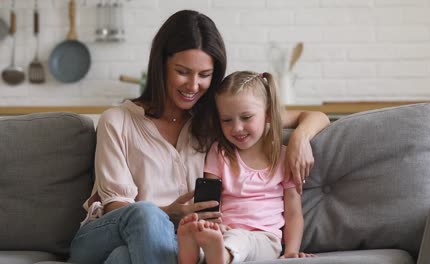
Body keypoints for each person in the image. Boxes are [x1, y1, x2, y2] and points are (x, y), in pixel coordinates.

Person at [68, 9, 330, 264]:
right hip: (105, 236)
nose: (193, 86)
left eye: (204, 75)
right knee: (146, 214)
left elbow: (312, 116)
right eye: (183, 72)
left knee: (124, 259)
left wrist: (298, 140)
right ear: (161, 66)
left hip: (169, 246)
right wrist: (169, 213)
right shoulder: (118, 121)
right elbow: (118, 207)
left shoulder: (218, 120)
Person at [177, 71, 316, 264]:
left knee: (240, 240)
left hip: (264, 239)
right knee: (213, 236)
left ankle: (220, 255)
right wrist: (210, 226)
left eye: (246, 117)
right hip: (224, 233)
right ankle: (193, 251)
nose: (237, 128)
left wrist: (292, 251)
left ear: (268, 114)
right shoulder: (219, 153)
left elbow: (293, 212)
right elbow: (210, 204)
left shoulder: (283, 157)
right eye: (227, 120)